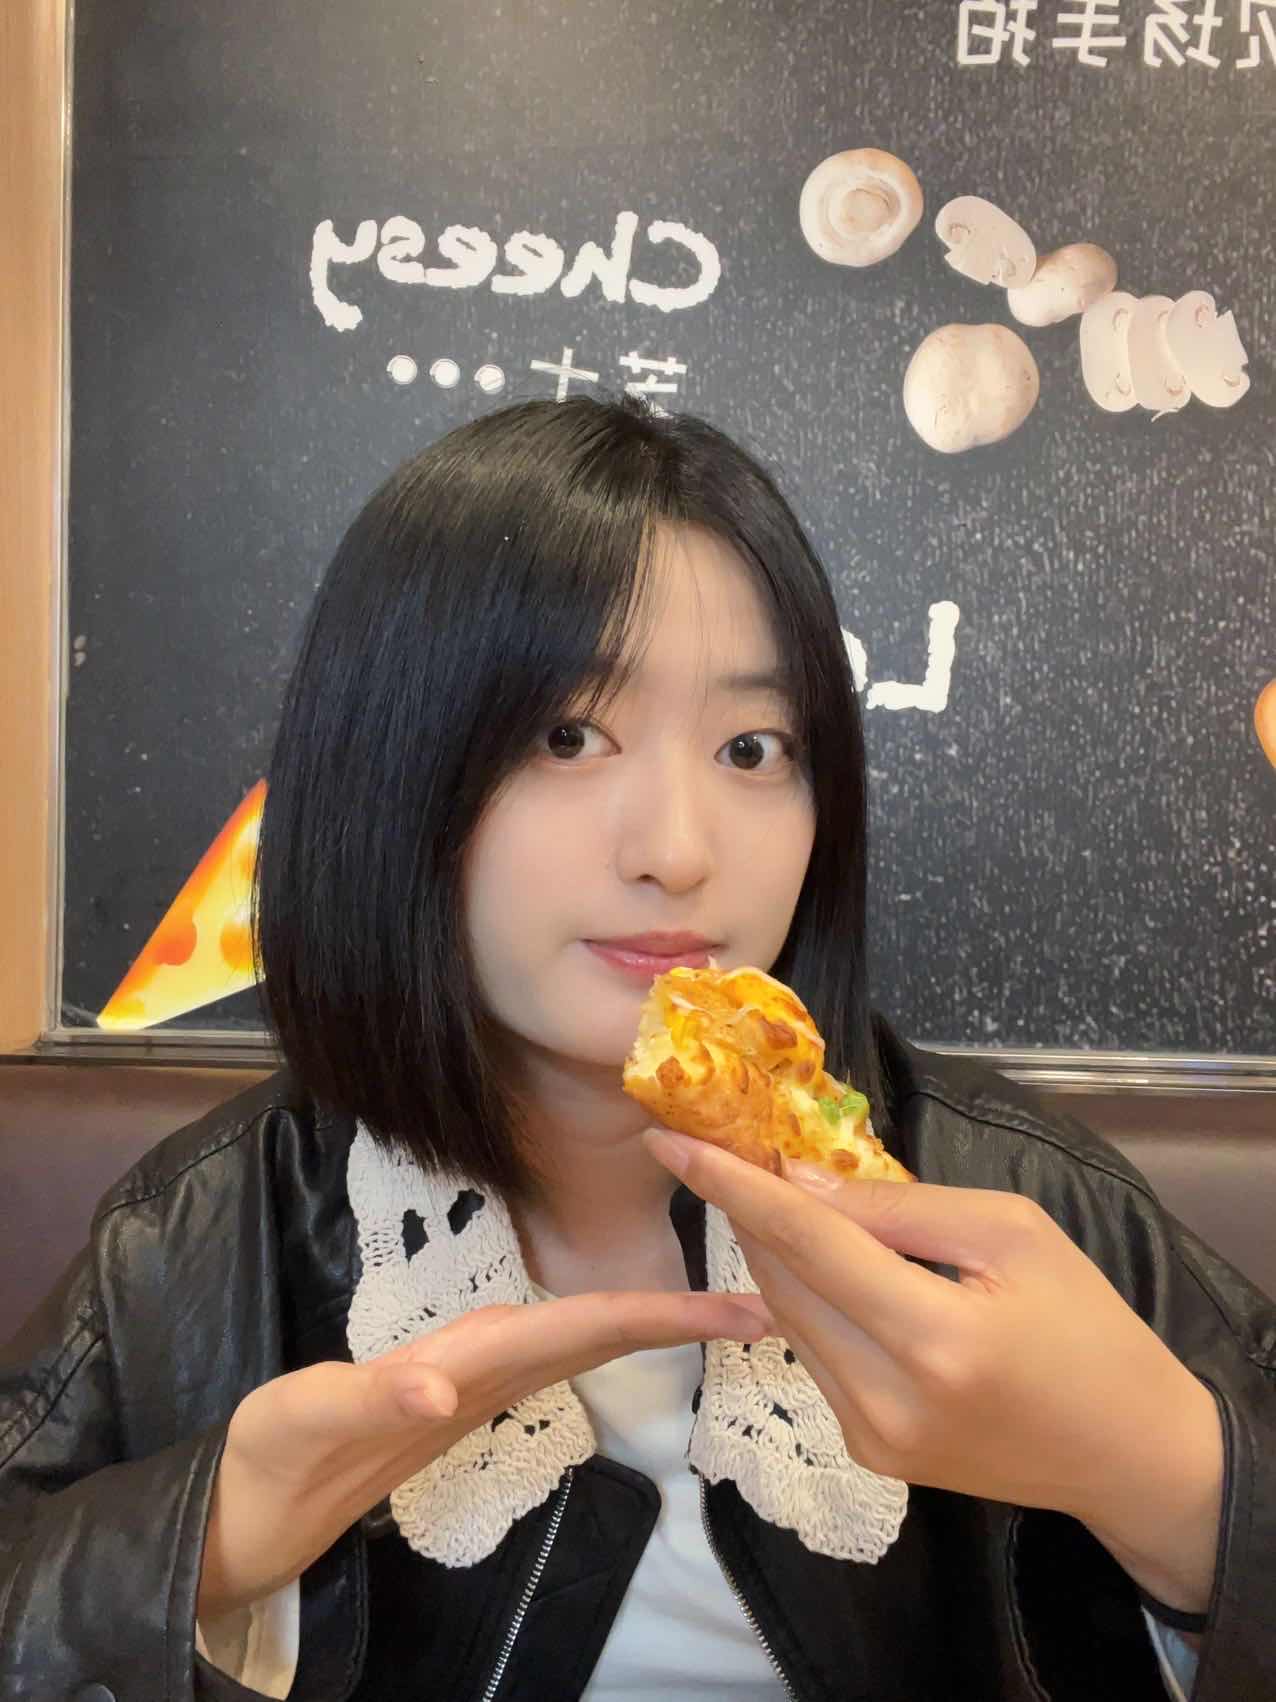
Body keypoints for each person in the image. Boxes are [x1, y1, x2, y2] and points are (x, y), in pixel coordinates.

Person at [2, 394, 1273, 1702]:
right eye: (567, 736)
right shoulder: (200, 1238)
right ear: (386, 766)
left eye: (751, 748)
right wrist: (207, 1538)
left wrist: (1170, 1482)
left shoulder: (1017, 1194)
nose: (677, 848)